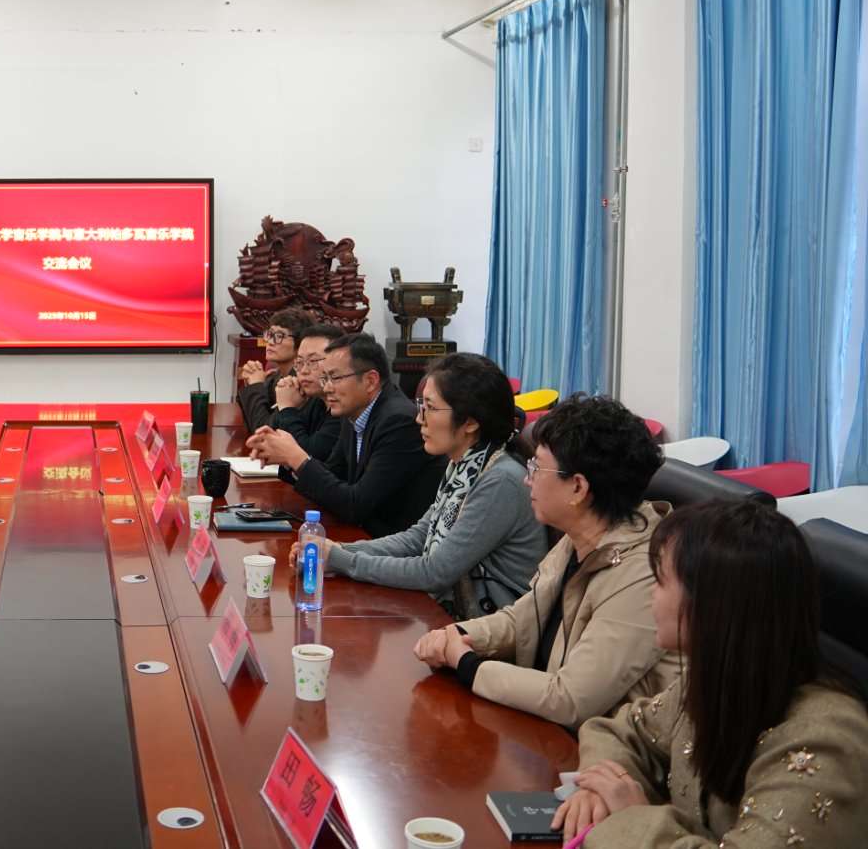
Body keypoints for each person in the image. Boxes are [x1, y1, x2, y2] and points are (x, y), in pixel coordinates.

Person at [556, 499, 868, 846]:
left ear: (711, 604)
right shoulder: (714, 680)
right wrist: (601, 789)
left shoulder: (824, 743)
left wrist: (632, 817)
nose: (650, 594)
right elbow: (618, 731)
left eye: (660, 581)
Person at [413, 394, 679, 728]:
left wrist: (467, 663)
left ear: (578, 488)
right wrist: (457, 633)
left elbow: (571, 698)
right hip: (547, 729)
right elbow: (522, 619)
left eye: (537, 468)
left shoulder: (646, 574)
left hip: (597, 749)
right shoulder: (580, 535)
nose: (527, 479)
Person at [293, 353, 546, 616]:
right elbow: (417, 538)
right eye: (420, 405)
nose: (419, 418)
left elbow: (435, 571)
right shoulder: (465, 465)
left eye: (431, 408)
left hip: (488, 625)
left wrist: (341, 559)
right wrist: (334, 550)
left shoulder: (500, 480)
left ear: (470, 422)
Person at [248, 333, 442, 537]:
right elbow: (334, 475)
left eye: (335, 378)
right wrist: (287, 458)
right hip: (362, 535)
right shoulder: (355, 411)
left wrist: (296, 457)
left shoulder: (399, 422)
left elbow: (355, 505)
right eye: (325, 378)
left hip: (392, 543)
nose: (327, 388)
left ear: (370, 381)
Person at [262, 322, 346, 462]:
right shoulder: (313, 399)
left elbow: (307, 457)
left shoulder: (345, 408)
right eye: (299, 362)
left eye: (313, 361)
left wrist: (287, 408)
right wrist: (286, 405)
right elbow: (269, 437)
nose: (304, 371)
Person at [236, 307, 314, 432]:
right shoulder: (275, 376)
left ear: (301, 343)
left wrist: (256, 385)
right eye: (270, 334)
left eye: (279, 336)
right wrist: (249, 382)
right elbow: (251, 419)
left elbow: (263, 430)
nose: (270, 342)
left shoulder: (298, 384)